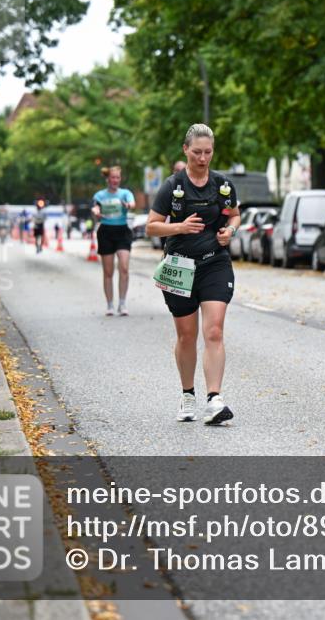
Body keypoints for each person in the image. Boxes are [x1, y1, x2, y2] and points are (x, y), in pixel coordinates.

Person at [147, 124, 240, 425]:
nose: (203, 158)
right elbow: (151, 226)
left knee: (214, 330)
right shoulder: (172, 186)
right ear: (185, 150)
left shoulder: (222, 184)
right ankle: (188, 395)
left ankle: (215, 399)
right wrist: (179, 227)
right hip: (180, 265)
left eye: (208, 152)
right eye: (197, 152)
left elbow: (235, 214)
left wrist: (230, 231)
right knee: (187, 336)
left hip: (215, 262)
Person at [92, 165, 136, 316]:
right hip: (106, 232)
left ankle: (122, 303)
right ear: (107, 179)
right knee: (108, 271)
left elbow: (132, 204)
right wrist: (96, 212)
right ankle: (110, 304)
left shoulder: (125, 193)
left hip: (122, 231)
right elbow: (96, 208)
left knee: (124, 267)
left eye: (118, 177)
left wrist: (128, 205)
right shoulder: (100, 195)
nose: (115, 180)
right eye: (113, 177)